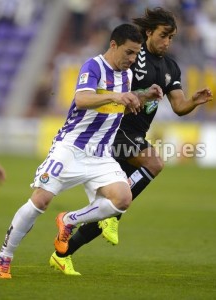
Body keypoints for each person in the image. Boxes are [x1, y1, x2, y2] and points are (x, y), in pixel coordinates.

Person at [51, 7, 213, 275]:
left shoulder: (170, 66)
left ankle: (62, 253)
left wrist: (194, 101)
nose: (167, 42)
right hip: (115, 129)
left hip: (135, 135)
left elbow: (179, 106)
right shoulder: (132, 55)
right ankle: (108, 215)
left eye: (172, 37)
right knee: (154, 162)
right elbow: (113, 89)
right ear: (149, 32)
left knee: (109, 209)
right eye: (163, 35)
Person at [0, 23, 163, 279]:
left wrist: (144, 96)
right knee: (40, 200)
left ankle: (69, 220)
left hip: (101, 154)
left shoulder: (126, 76)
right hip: (72, 148)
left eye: (135, 54)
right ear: (113, 45)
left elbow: (118, 107)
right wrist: (117, 98)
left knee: (122, 199)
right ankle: (5, 256)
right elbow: (83, 99)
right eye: (128, 52)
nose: (131, 59)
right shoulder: (93, 66)